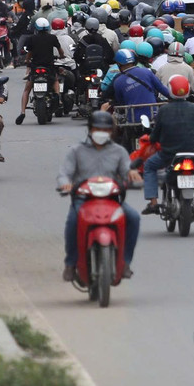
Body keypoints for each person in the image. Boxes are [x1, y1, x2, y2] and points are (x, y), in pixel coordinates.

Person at [56, 111, 141, 282]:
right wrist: (65, 183)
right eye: (97, 128)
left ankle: (125, 263)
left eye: (105, 129)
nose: (101, 132)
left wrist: (132, 175)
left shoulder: (119, 151)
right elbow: (64, 173)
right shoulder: (76, 151)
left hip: (111, 200)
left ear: (111, 131)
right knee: (73, 221)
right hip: (84, 200)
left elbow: (126, 170)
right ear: (90, 129)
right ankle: (71, 264)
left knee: (133, 218)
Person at [140, 75, 194, 216]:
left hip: (168, 155)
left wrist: (153, 139)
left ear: (170, 90)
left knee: (149, 166)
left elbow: (155, 135)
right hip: (193, 154)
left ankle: (153, 203)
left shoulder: (163, 110)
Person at [16, 17, 62, 125]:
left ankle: (22, 112)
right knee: (55, 80)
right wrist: (62, 56)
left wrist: (27, 60)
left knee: (27, 89)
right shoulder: (52, 38)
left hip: (35, 68)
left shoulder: (32, 38)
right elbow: (60, 51)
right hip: (49, 67)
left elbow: (29, 53)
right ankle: (58, 98)